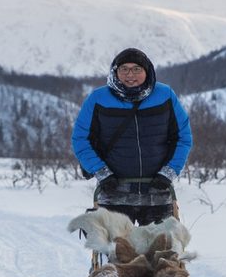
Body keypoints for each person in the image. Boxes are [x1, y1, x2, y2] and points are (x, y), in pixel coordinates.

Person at [71, 48, 192, 219]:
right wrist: (102, 173)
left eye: (137, 69)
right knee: (114, 246)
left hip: (157, 192)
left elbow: (183, 138)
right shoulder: (98, 98)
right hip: (113, 192)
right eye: (124, 69)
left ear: (147, 71)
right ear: (115, 71)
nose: (130, 75)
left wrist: (169, 172)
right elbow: (80, 139)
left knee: (162, 246)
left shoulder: (165, 95)